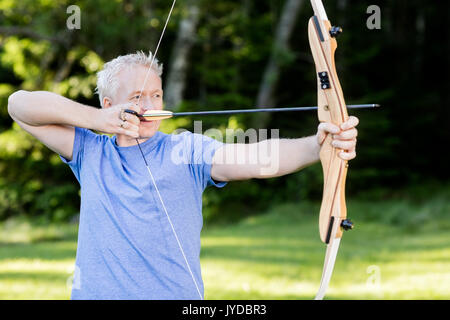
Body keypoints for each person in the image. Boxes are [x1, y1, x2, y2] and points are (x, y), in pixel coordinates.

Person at [7, 51, 359, 300]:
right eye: (136, 96)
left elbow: (253, 158)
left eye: (156, 94)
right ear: (109, 103)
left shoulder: (185, 149)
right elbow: (19, 105)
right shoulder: (90, 151)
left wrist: (317, 146)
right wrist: (97, 122)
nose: (149, 104)